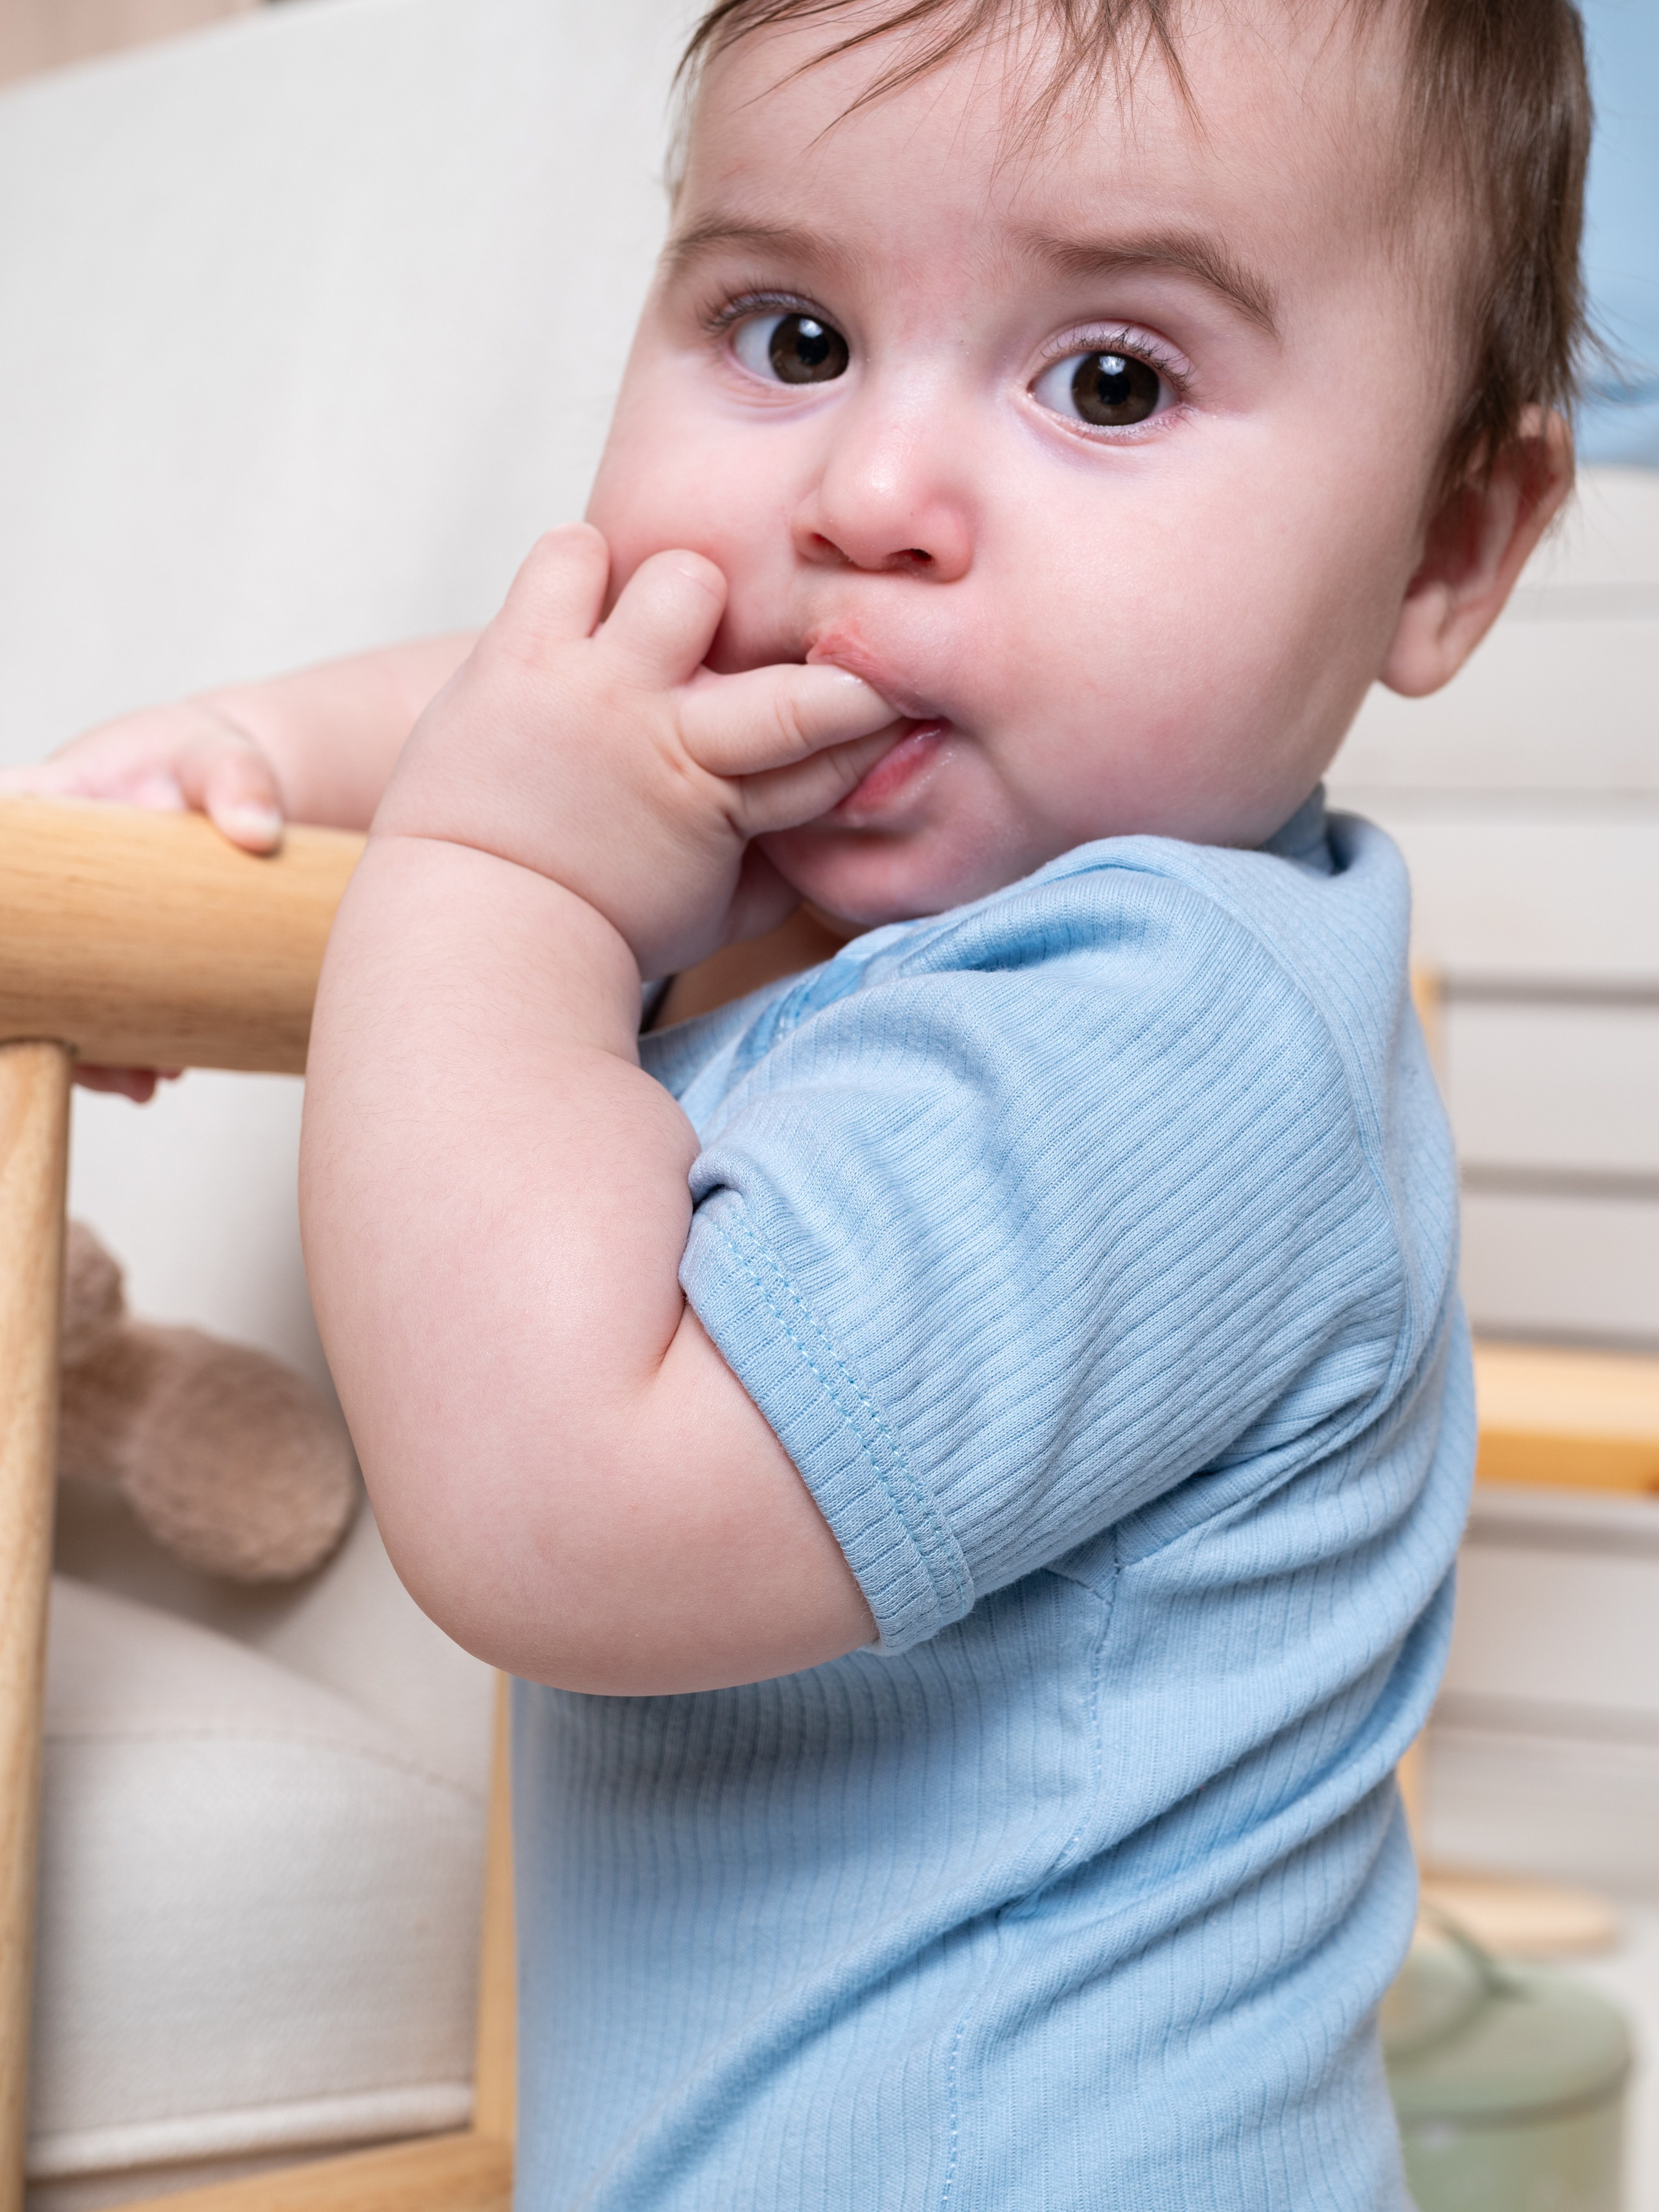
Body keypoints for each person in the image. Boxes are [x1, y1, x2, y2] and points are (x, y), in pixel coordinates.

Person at [7, 0, 1590, 2200]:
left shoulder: (1175, 1025)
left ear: (1450, 546)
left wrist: (499, 874)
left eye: (1110, 381)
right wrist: (252, 764)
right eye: (789, 333)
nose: (866, 500)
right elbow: (569, 702)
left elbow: (558, 1510)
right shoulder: (888, 884)